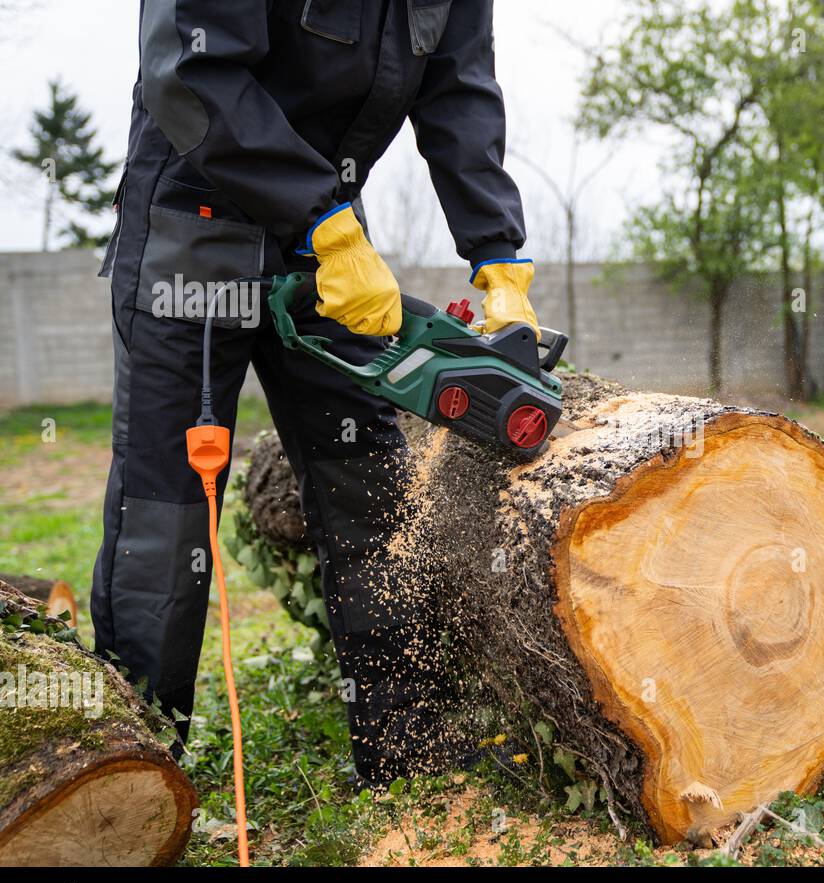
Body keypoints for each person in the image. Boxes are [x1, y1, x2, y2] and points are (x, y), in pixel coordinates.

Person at [92, 0, 536, 783]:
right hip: (195, 220)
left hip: (329, 240)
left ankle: (405, 743)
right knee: (168, 511)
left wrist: (497, 251)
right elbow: (189, 70)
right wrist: (322, 217)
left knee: (370, 479)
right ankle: (129, 769)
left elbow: (461, 90)